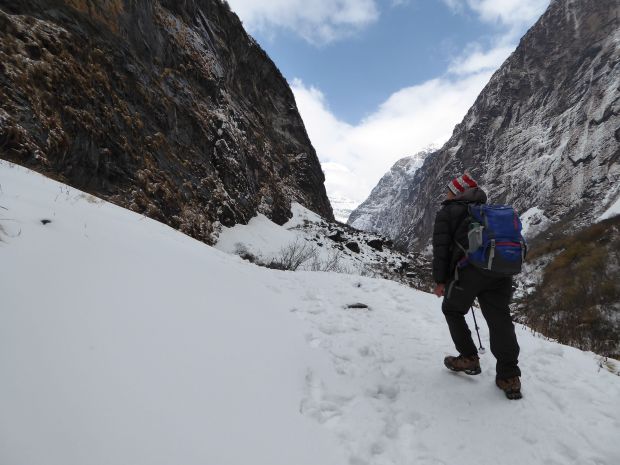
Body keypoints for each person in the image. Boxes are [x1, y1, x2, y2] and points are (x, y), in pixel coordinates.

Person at [432, 173, 522, 400]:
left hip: (468, 274)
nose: (446, 194)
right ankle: (509, 377)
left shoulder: (448, 212)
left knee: (452, 310)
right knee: (500, 319)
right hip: (499, 271)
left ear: (457, 192)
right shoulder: (487, 210)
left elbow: (441, 250)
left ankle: (468, 358)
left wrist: (440, 281)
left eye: (449, 190)